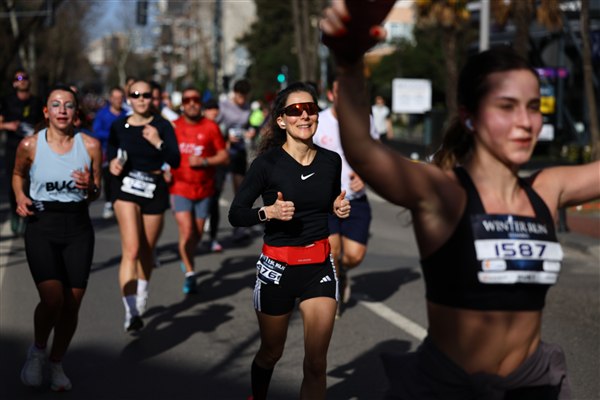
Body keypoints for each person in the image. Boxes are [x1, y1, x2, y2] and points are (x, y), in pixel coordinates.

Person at [320, 2, 600, 398]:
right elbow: (364, 151)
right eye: (506, 107)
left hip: (532, 386)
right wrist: (348, 64)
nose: (525, 122)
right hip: (449, 388)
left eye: (534, 107)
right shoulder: (442, 192)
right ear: (469, 116)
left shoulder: (547, 189)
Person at [228, 82, 351, 400]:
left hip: (318, 266)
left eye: (310, 108)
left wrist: (337, 207)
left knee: (316, 364)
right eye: (295, 110)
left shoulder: (330, 161)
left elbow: (325, 203)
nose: (304, 115)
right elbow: (236, 214)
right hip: (277, 268)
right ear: (281, 120)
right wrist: (267, 212)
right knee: (271, 352)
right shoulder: (266, 164)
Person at [12, 84, 102, 391]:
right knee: (52, 299)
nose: (62, 110)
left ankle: (56, 362)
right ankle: (38, 351)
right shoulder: (30, 145)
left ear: (76, 112)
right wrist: (20, 196)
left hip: (78, 228)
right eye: (56, 104)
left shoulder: (90, 145)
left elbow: (96, 192)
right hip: (42, 225)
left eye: (68, 105)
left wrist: (90, 186)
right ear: (46, 111)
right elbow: (18, 174)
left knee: (72, 305)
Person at [107, 79, 180, 332]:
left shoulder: (162, 125)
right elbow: (111, 151)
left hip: (154, 188)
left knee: (147, 249)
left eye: (146, 95)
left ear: (153, 98)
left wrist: (158, 141)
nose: (141, 99)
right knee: (132, 249)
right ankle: (131, 312)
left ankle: (141, 293)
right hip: (126, 188)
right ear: (128, 98)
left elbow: (175, 159)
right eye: (135, 94)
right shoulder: (119, 125)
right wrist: (113, 163)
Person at [313, 79, 379, 317]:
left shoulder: (365, 120)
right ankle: (333, 293)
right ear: (332, 95)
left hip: (355, 199)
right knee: (331, 250)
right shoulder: (318, 122)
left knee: (354, 255)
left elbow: (376, 154)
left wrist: (365, 175)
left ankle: (342, 272)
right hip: (325, 200)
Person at [170, 87, 229, 294]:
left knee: (197, 233)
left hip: (204, 188)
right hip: (179, 187)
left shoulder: (211, 127)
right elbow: (162, 152)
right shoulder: (174, 127)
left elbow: (224, 156)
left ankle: (187, 256)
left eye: (196, 99)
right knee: (186, 231)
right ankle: (190, 272)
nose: (192, 103)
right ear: (182, 104)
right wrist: (164, 169)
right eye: (187, 100)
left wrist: (204, 161)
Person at [1, 69, 44, 235]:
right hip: (13, 147)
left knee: (32, 182)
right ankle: (15, 212)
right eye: (18, 78)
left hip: (33, 148)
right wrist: (8, 126)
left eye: (25, 77)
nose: (22, 80)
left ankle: (27, 215)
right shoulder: (7, 101)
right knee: (13, 182)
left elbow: (43, 123)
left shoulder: (36, 101)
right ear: (14, 83)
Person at [218, 79, 255, 241]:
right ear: (234, 94)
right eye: (240, 96)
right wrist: (226, 136)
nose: (242, 100)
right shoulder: (224, 105)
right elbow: (214, 125)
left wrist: (250, 131)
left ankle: (240, 226)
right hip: (223, 150)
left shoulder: (247, 107)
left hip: (239, 150)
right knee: (217, 188)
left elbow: (248, 125)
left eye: (245, 97)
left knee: (240, 189)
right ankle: (209, 221)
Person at [92, 86, 127, 219]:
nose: (118, 100)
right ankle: (109, 202)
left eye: (120, 98)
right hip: (106, 151)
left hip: (123, 152)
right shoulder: (102, 114)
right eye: (115, 98)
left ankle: (120, 204)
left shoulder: (126, 114)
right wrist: (113, 135)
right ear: (111, 99)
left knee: (122, 177)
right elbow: (96, 131)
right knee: (108, 177)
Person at [202, 98, 225, 252]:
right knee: (201, 203)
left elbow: (224, 149)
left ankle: (213, 238)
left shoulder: (221, 126)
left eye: (215, 109)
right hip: (201, 171)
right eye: (210, 109)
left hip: (217, 170)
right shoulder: (199, 126)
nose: (214, 112)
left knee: (214, 203)